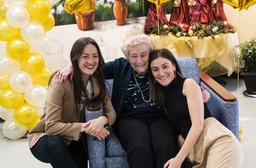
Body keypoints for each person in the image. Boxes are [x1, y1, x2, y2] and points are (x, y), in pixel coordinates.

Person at [57, 29, 179, 168]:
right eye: (133, 56)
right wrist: (72, 66)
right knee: (139, 147)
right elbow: (92, 67)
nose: (139, 60)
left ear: (150, 53)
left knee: (166, 143)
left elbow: (175, 73)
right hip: (130, 118)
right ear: (127, 56)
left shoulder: (158, 65)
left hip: (160, 116)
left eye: (143, 55)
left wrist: (195, 89)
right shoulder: (119, 66)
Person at [28, 37, 116, 168]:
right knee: (54, 143)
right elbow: (51, 126)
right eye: (85, 56)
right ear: (76, 58)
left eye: (95, 56)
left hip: (74, 138)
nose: (91, 61)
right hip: (46, 138)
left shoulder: (97, 81)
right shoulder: (60, 81)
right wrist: (87, 127)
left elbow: (111, 112)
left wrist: (103, 120)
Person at [148, 48, 243, 168]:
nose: (161, 73)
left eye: (165, 66)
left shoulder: (188, 84)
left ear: (174, 66)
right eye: (155, 69)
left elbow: (198, 125)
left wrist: (178, 159)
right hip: (196, 153)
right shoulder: (162, 95)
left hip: (216, 141)